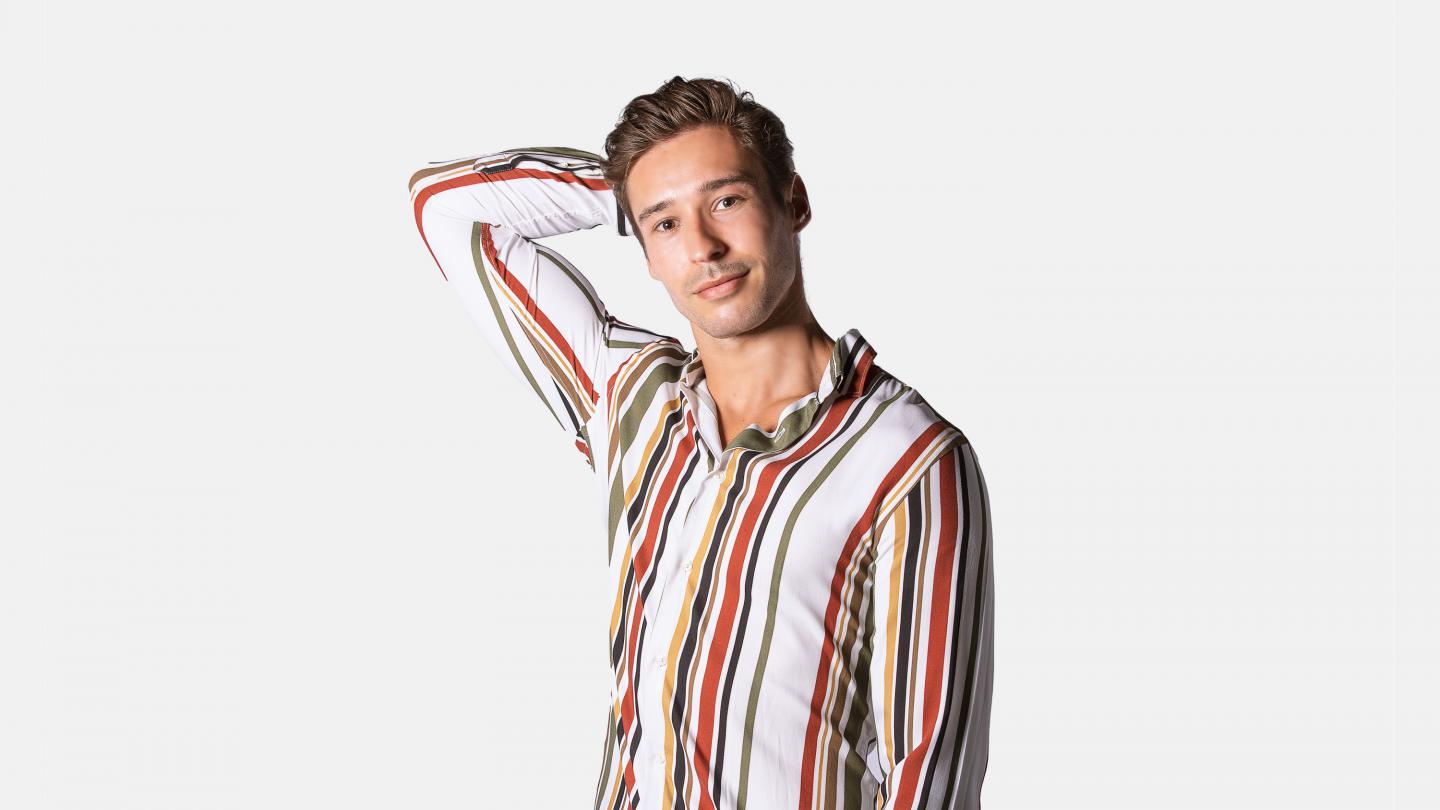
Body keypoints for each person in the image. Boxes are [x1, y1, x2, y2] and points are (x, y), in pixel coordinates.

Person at [406, 75, 994, 810]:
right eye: (666, 225)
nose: (704, 248)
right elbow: (447, 207)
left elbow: (930, 776)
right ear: (645, 250)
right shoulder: (629, 401)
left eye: (727, 200)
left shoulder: (908, 458)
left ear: (794, 201)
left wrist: (661, 198)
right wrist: (627, 191)